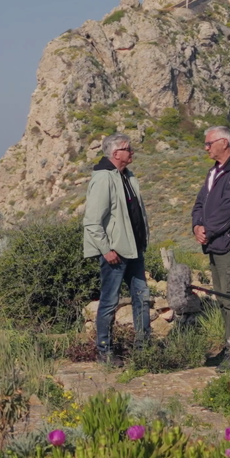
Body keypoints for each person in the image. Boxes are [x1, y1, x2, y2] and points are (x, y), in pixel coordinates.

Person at [191, 125, 230, 368]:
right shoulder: (214, 171)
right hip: (216, 243)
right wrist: (197, 226)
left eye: (209, 143)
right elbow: (200, 202)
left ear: (224, 143)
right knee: (222, 298)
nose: (205, 147)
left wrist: (208, 229)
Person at [82, 133, 151, 364]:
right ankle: (104, 351)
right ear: (115, 153)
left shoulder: (127, 176)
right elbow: (92, 221)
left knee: (142, 297)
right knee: (110, 301)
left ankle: (144, 350)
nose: (132, 152)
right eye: (127, 149)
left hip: (134, 250)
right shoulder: (103, 178)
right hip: (115, 253)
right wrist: (106, 249)